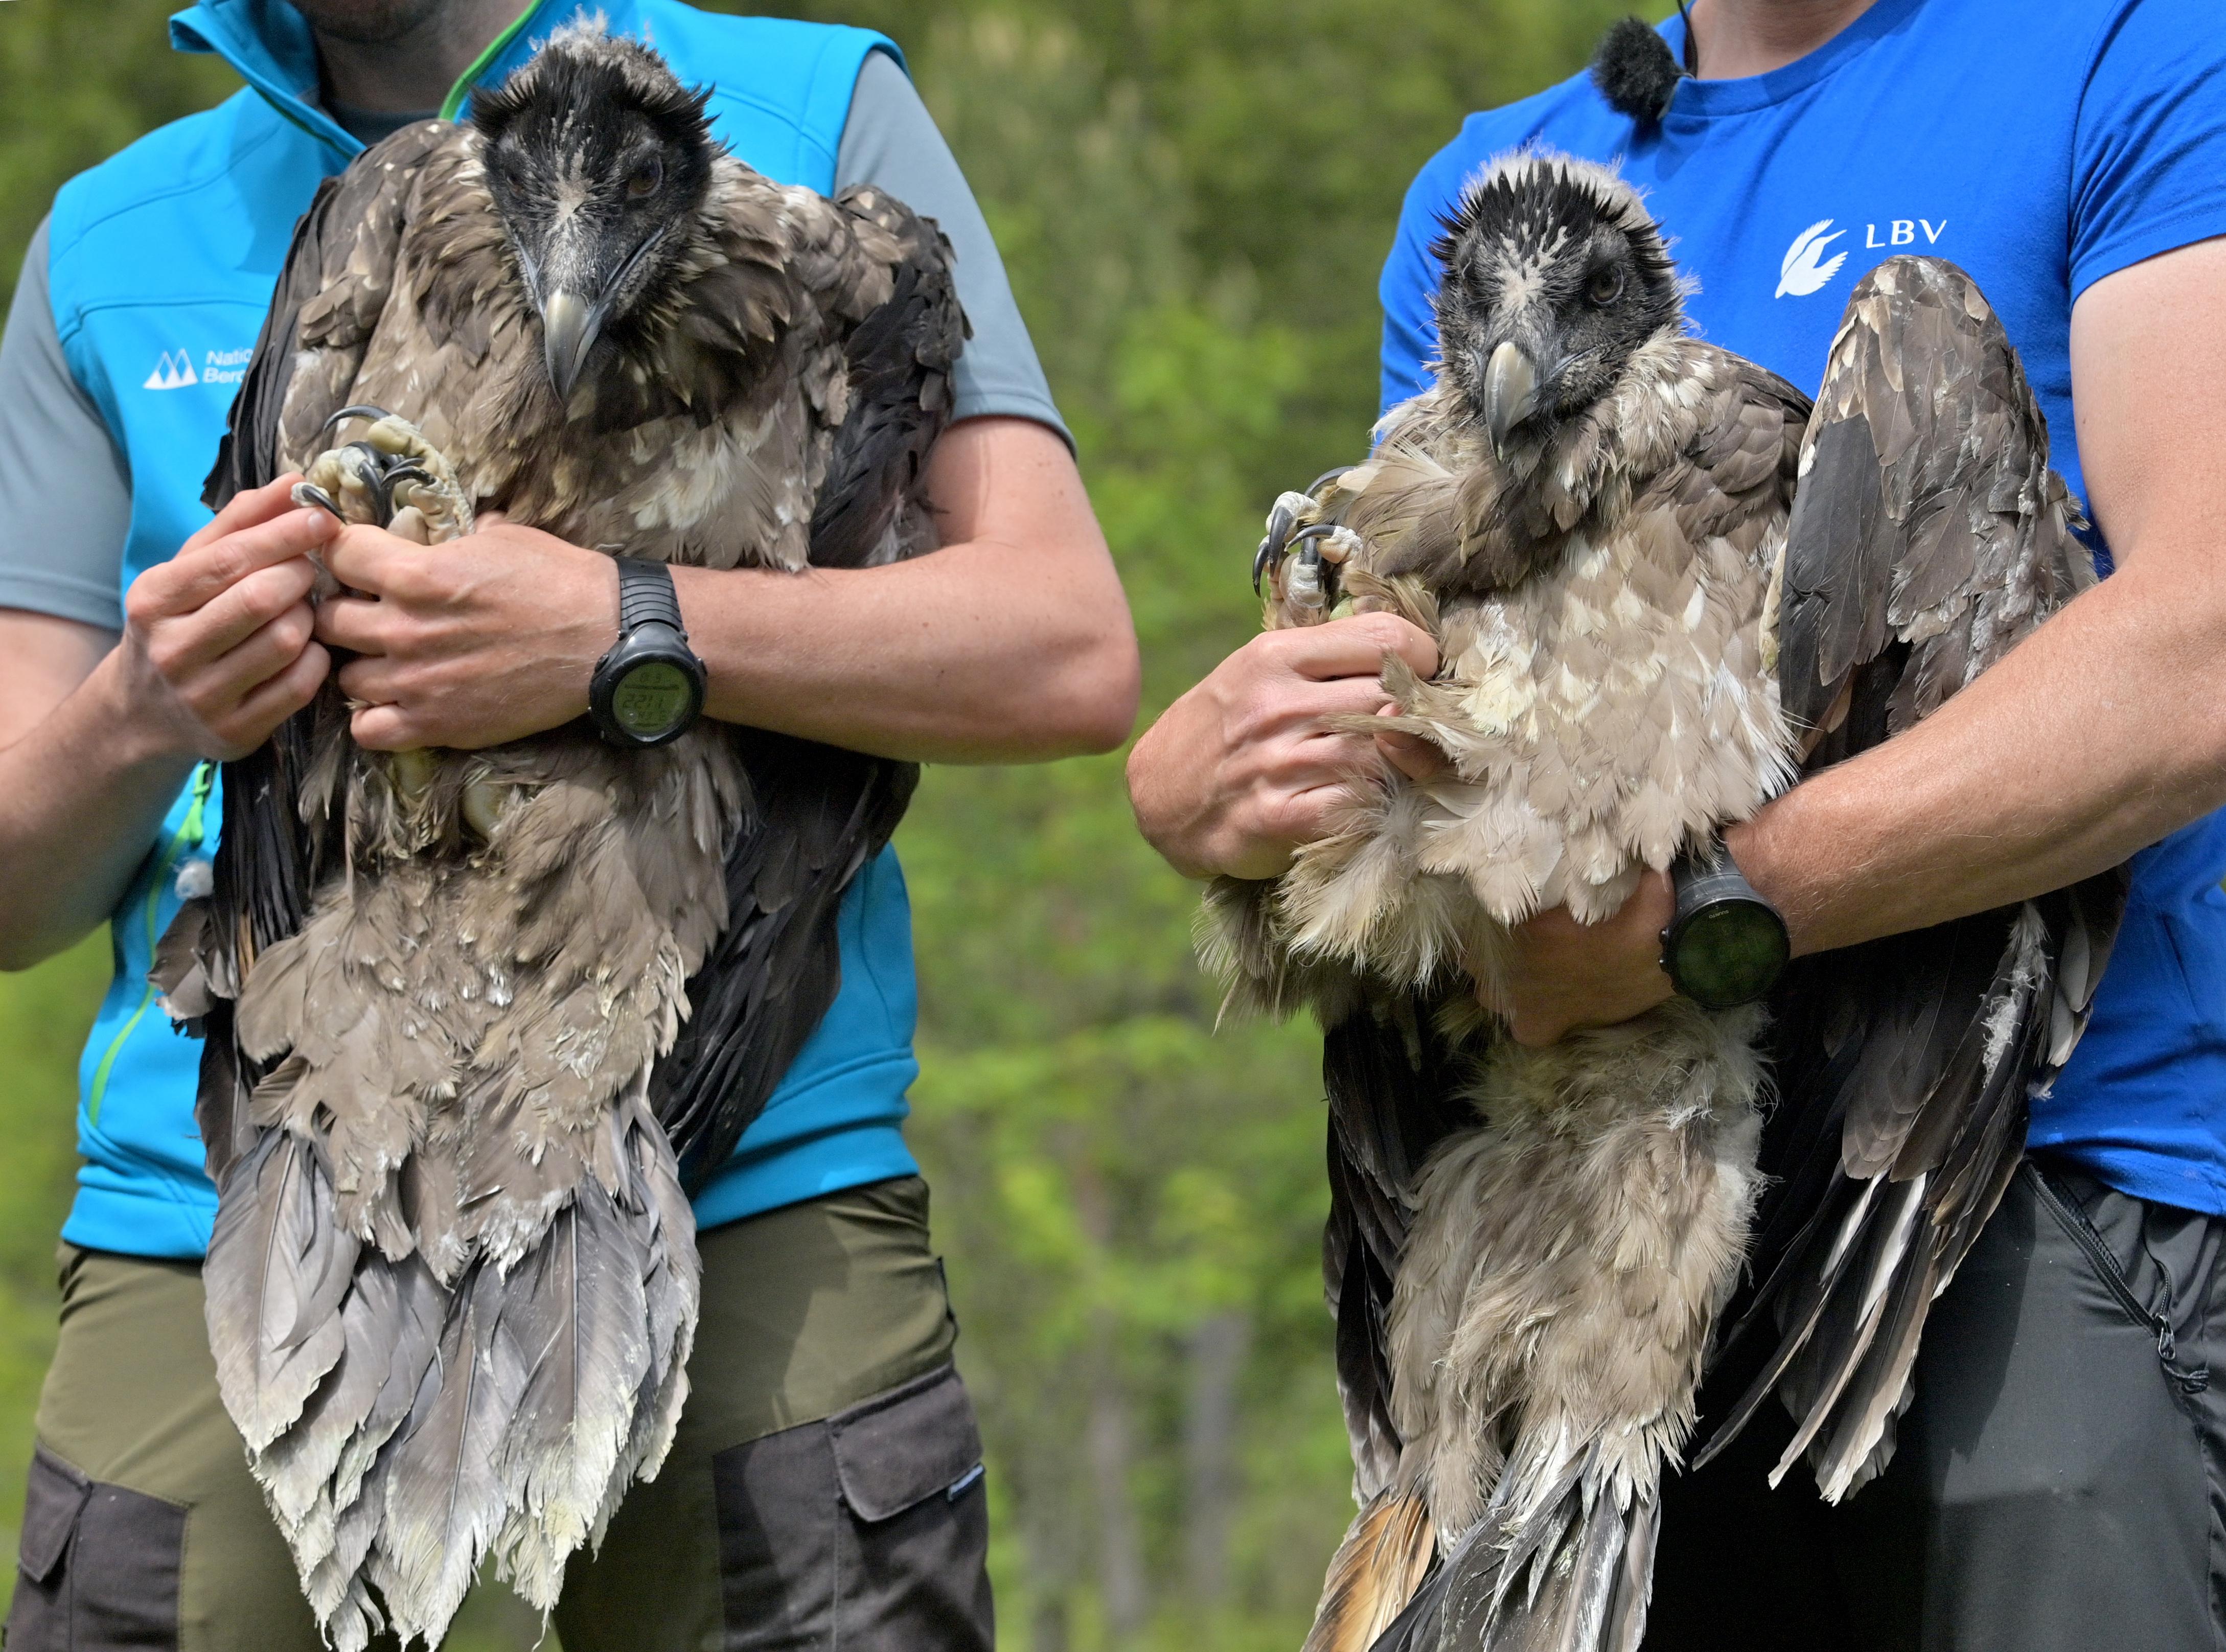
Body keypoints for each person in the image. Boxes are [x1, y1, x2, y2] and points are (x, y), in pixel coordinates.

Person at [0, 2, 1138, 1647]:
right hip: (233, 1219)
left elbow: (1064, 650)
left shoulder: (818, 109)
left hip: (741, 1193)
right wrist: (141, 708)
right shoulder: (111, 237)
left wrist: (625, 632)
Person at [1128, 0, 2226, 1646]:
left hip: (2026, 1175)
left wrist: (1713, 914)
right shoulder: (1497, 186)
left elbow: (2202, 646)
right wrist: (1216, 798)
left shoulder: (2131, 50)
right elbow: (1443, 707)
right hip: (1595, 1210)